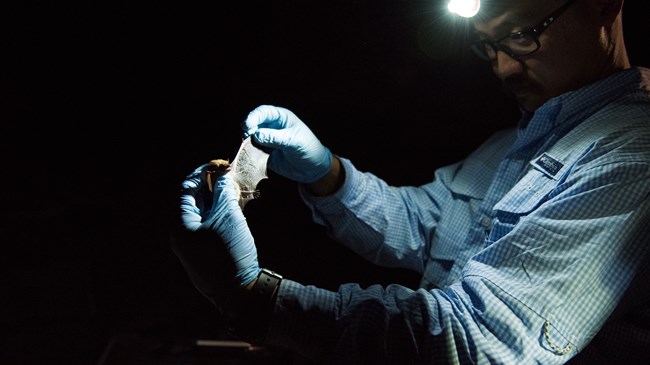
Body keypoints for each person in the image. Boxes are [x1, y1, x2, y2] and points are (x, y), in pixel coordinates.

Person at [170, 0, 650, 363]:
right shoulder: (518, 138)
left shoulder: (631, 155)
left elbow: (477, 339)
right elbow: (423, 223)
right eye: (488, 46)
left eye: (522, 35)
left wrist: (256, 300)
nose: (502, 68)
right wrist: (327, 174)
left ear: (603, 6)